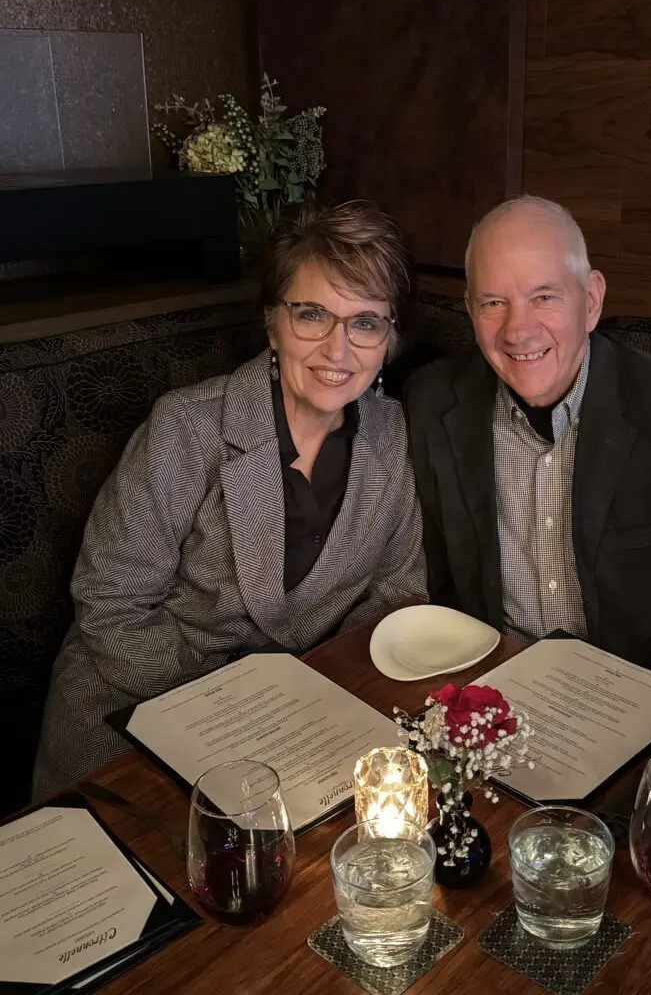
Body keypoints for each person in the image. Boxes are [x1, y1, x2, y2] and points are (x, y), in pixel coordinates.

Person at [34, 200, 427, 796]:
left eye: (365, 322)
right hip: (132, 709)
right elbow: (110, 604)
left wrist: (315, 693)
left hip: (302, 720)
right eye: (313, 314)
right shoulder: (187, 427)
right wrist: (232, 712)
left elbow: (400, 589)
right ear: (273, 323)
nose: (337, 349)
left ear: (388, 339)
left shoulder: (394, 434)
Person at [405, 195, 651, 735]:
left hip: (638, 711)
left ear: (591, 300)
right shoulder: (430, 401)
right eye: (493, 302)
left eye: (544, 297)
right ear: (469, 309)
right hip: (487, 700)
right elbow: (435, 582)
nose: (518, 331)